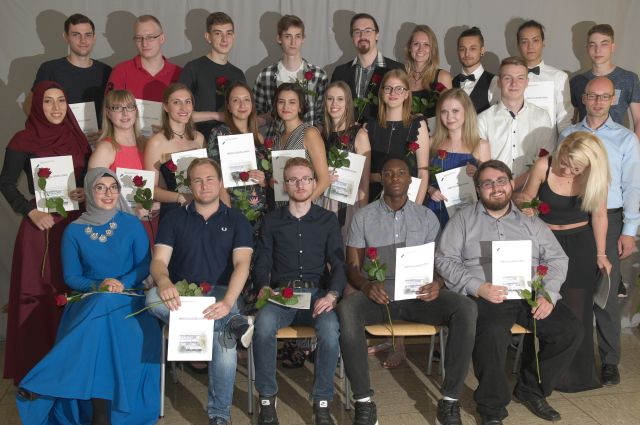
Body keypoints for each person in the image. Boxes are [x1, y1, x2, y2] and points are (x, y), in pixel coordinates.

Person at [436, 160, 581, 425]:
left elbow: (557, 258)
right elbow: (445, 260)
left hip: (529, 293)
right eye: (487, 183)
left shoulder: (530, 221)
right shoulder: (463, 220)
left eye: (501, 181)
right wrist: (477, 286)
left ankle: (531, 390)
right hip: (486, 295)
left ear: (512, 184)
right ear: (478, 189)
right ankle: (491, 408)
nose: (496, 188)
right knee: (491, 335)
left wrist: (548, 293)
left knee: (569, 330)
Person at [338, 154, 477, 425]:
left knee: (466, 307)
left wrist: (438, 284)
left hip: (419, 297)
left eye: (401, 173)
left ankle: (450, 400)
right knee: (347, 309)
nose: (394, 178)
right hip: (380, 297)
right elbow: (352, 267)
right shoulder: (364, 217)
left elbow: (442, 262)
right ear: (381, 178)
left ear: (410, 180)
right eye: (388, 173)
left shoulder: (426, 217)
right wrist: (366, 286)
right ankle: (364, 402)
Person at [16, 168, 160, 425]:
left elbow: (144, 265)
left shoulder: (131, 223)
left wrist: (121, 283)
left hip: (129, 299)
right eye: (100, 188)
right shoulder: (73, 231)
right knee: (102, 309)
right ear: (89, 192)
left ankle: (46, 382)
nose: (108, 193)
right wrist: (98, 285)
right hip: (90, 300)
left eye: (113, 187)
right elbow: (71, 277)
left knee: (102, 320)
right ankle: (100, 416)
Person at [147, 158, 253, 425]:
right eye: (197, 180)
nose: (204, 185)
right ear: (189, 185)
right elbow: (159, 262)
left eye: (209, 179)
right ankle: (232, 324)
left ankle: (219, 416)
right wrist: (164, 281)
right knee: (151, 299)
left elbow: (242, 264)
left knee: (223, 344)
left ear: (220, 183)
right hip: (184, 296)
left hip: (222, 294)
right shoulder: (173, 219)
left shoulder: (237, 220)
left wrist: (228, 302)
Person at [0, 81, 89, 385]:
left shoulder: (78, 137)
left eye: (61, 100)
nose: (55, 107)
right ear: (37, 105)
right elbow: (6, 183)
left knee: (72, 291)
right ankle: (35, 370)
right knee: (39, 295)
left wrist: (83, 190)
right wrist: (30, 211)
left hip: (75, 225)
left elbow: (88, 178)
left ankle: (70, 367)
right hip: (41, 228)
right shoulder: (23, 139)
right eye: (48, 101)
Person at [252, 157, 346, 425]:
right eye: (293, 180)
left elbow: (338, 263)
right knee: (263, 325)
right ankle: (267, 399)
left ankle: (322, 402)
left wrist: (332, 295)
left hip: (317, 295)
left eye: (305, 179)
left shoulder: (327, 220)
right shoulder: (272, 221)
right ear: (284, 185)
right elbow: (263, 260)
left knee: (330, 330)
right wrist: (263, 286)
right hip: (283, 295)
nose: (300, 184)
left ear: (314, 183)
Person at [560, 76, 640, 386]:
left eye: (604, 96)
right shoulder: (568, 134)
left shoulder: (625, 139)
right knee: (573, 290)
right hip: (575, 218)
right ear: (583, 98)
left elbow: (633, 186)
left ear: (613, 100)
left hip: (611, 219)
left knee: (605, 291)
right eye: (592, 95)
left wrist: (629, 230)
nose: (597, 101)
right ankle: (572, 357)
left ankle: (609, 361)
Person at [519, 132, 611, 392]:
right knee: (540, 304)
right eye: (565, 163)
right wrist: (528, 207)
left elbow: (600, 215)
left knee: (578, 310)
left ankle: (574, 376)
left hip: (580, 244)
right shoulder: (544, 165)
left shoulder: (596, 176)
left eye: (576, 169)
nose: (569, 171)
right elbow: (525, 196)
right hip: (544, 242)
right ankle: (536, 372)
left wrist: (601, 254)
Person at [24, 13, 112, 144]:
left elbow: (113, 108)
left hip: (96, 144)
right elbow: (29, 105)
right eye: (76, 35)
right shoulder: (50, 69)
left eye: (88, 35)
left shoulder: (106, 71)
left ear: (94, 37)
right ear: (66, 37)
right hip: (61, 143)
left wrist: (107, 131)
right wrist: (54, 131)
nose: (83, 40)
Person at [478, 56, 554, 189]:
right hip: (495, 191)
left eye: (520, 78)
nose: (514, 84)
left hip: (531, 191)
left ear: (527, 82)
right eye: (508, 78)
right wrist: (504, 187)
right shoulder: (482, 120)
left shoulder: (542, 117)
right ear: (499, 82)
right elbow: (482, 166)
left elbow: (545, 160)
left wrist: (514, 185)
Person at [208, 81, 270, 235]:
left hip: (259, 212)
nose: (242, 104)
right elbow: (216, 177)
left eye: (246, 99)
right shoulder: (219, 133)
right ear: (228, 106)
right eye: (236, 100)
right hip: (233, 209)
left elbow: (266, 180)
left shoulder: (259, 137)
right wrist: (227, 212)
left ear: (252, 104)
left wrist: (263, 180)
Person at [361, 69, 429, 203]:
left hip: (409, 202)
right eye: (388, 88)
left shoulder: (418, 125)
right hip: (373, 202)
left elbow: (423, 172)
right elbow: (362, 175)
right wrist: (380, 177)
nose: (393, 93)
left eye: (399, 89)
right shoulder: (368, 126)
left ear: (406, 94)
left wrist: (416, 209)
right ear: (381, 92)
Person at [254, 15, 328, 134]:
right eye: (288, 36)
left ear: (303, 39)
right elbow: (257, 113)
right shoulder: (265, 76)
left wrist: (313, 138)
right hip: (275, 140)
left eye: (297, 36)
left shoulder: (319, 76)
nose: (293, 42)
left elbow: (323, 117)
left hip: (307, 141)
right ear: (279, 38)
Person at [426, 88, 490, 226]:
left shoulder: (481, 145)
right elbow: (420, 175)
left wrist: (477, 174)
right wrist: (430, 190)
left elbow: (488, 184)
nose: (449, 117)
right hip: (435, 210)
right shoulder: (431, 142)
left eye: (455, 111)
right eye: (444, 112)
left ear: (467, 112)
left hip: (467, 214)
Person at [143, 82, 205, 220]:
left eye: (187, 102)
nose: (184, 107)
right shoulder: (156, 143)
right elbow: (150, 188)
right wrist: (180, 197)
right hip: (175, 213)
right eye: (176, 102)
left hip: (201, 211)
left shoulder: (199, 138)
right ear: (165, 107)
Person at [179, 12, 246, 137]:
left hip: (232, 141)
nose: (224, 39)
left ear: (233, 37)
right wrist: (216, 115)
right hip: (198, 140)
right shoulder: (193, 68)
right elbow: (178, 112)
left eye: (228, 33)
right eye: (218, 33)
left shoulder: (238, 74)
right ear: (208, 37)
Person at [570, 24, 640, 140]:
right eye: (592, 45)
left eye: (604, 44)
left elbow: (638, 119)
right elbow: (572, 120)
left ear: (613, 47)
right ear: (587, 48)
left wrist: (633, 147)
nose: (598, 50)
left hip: (617, 145)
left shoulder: (629, 79)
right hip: (584, 145)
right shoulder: (576, 81)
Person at [331, 13, 404, 123]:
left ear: (377, 35)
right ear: (352, 37)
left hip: (384, 132)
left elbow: (405, 110)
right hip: (347, 134)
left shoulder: (397, 69)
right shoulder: (340, 72)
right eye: (357, 32)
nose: (362, 36)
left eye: (368, 31)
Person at [322, 81, 370, 233]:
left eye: (340, 99)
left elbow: (364, 181)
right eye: (330, 99)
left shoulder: (359, 134)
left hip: (349, 204)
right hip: (323, 200)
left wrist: (362, 215)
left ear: (348, 103)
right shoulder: (321, 134)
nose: (334, 103)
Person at [271, 83, 330, 203]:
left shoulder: (309, 133)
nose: (286, 106)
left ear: (300, 107)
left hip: (305, 209)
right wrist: (273, 183)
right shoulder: (277, 138)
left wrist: (302, 206)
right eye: (281, 102)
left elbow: (324, 180)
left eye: (292, 102)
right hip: (282, 207)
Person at [106, 15, 181, 103]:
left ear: (162, 38)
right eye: (139, 38)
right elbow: (110, 107)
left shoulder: (179, 73)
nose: (144, 43)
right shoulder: (121, 71)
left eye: (150, 37)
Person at [516, 20, 573, 134]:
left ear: (543, 43)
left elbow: (564, 118)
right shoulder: (507, 77)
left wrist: (564, 142)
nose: (530, 46)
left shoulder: (559, 77)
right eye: (524, 42)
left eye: (535, 40)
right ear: (518, 45)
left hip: (547, 142)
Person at [404, 24, 452, 125]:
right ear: (409, 47)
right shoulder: (402, 77)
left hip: (433, 133)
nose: (420, 49)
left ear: (432, 49)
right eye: (416, 44)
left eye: (426, 44)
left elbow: (449, 115)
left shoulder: (443, 77)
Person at [88, 89, 146, 171]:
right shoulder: (104, 149)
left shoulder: (147, 145)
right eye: (117, 108)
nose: (125, 113)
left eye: (129, 107)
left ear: (136, 110)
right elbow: (93, 179)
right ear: (108, 113)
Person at [452, 26, 495, 114]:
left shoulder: (494, 82)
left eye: (472, 48)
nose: (467, 54)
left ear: (482, 50)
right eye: (462, 49)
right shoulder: (451, 82)